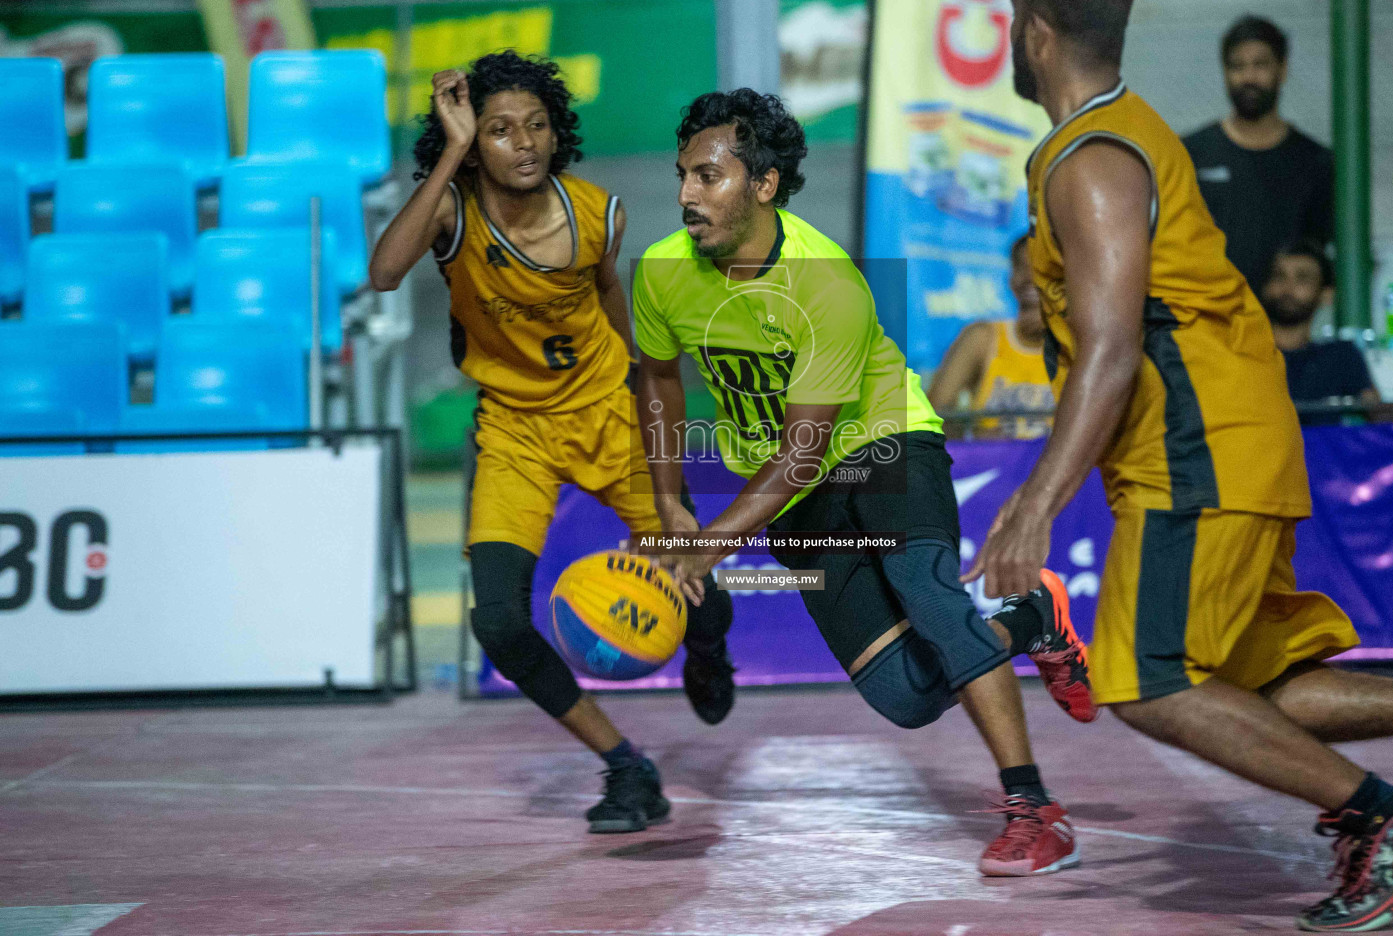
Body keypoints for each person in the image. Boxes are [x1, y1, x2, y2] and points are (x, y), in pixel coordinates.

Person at [966, 0, 1393, 931]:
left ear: (1035, 29)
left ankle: (1386, 815)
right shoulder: (1115, 139)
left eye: (1012, 22)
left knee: (1146, 681)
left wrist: (1033, 505)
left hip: (1199, 449)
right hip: (1228, 438)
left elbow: (1109, 350)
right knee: (1241, 682)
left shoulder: (1093, 160)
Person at [634, 88, 1095, 877]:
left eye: (708, 177)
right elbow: (657, 379)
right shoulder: (661, 271)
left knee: (933, 598)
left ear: (764, 184)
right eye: (683, 175)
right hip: (788, 493)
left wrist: (710, 545)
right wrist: (668, 493)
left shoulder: (826, 282)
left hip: (882, 443)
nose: (685, 195)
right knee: (907, 697)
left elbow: (808, 447)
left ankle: (1034, 809)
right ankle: (1033, 617)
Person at [369, 50, 737, 835]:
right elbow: (383, 272)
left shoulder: (596, 213)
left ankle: (706, 651)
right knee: (498, 624)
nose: (523, 142)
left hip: (610, 415)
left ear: (557, 132)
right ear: (474, 140)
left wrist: (651, 427)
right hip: (514, 432)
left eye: (536, 125)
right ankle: (625, 766)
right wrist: (453, 155)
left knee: (704, 592)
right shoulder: (452, 210)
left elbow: (614, 309)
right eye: (499, 131)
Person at [1182, 15, 1333, 293]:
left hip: (1286, 329)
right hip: (1210, 322)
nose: (1248, 77)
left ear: (1282, 70)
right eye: (1237, 66)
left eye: (1260, 64)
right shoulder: (1189, 154)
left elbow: (1330, 257)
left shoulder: (1316, 163)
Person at [927, 234, 1056, 440]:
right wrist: (978, 444)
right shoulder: (983, 338)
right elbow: (931, 416)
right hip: (997, 468)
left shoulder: (1082, 345)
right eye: (1020, 267)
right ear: (1011, 278)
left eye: (1041, 266)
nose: (1028, 277)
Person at [1261, 239, 1389, 426]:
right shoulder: (1244, 354)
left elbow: (1381, 416)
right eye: (1279, 276)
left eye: (1302, 278)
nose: (1287, 288)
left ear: (1326, 294)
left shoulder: (1341, 356)